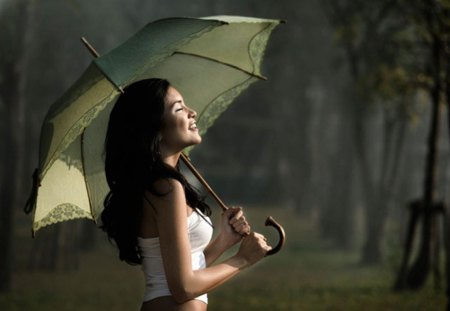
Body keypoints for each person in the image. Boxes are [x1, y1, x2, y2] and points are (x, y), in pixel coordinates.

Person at [100, 78, 271, 310]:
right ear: (156, 130)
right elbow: (183, 288)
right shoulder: (167, 188)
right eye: (179, 108)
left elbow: (185, 268)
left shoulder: (160, 185)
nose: (192, 112)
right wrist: (242, 259)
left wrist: (224, 241)